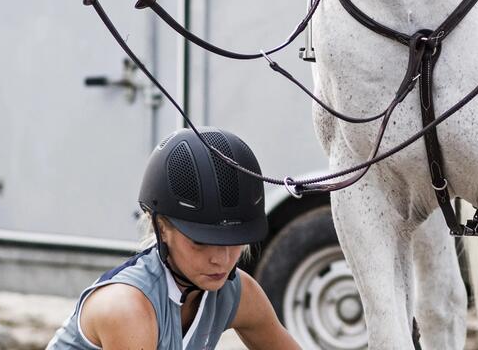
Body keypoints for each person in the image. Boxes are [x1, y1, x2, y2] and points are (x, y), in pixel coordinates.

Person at [47, 128, 300, 350]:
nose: (221, 260)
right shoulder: (128, 307)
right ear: (161, 226)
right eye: (200, 242)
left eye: (234, 240)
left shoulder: (236, 291)